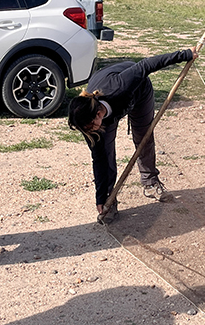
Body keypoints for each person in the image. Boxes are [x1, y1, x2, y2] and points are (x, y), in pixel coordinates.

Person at [68, 48, 197, 223]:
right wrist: (100, 198)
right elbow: (99, 161)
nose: (90, 131)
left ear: (98, 114)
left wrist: (185, 55)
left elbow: (146, 65)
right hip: (110, 101)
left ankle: (150, 182)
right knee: (104, 153)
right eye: (85, 129)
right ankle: (110, 200)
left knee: (144, 136)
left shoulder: (118, 86)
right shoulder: (88, 124)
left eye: (91, 126)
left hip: (138, 91)